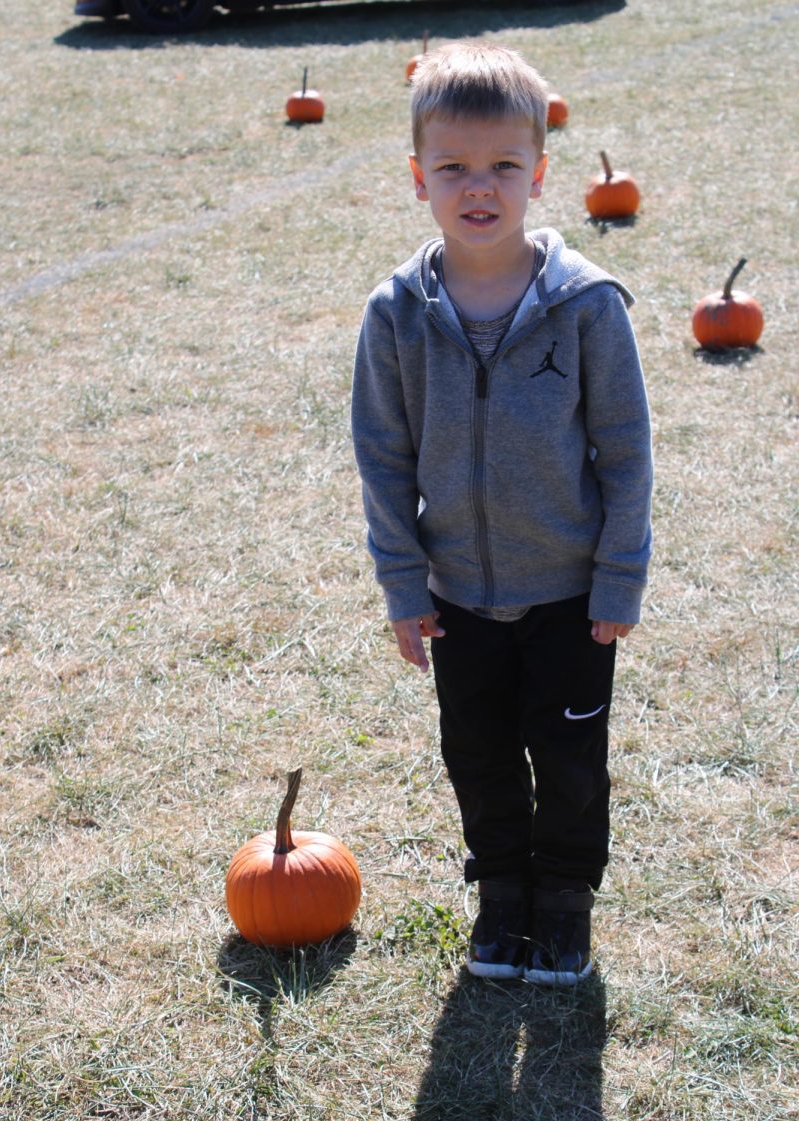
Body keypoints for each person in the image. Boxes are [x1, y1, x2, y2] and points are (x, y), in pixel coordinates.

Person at [350, 42, 653, 985]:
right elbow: (384, 459)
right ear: (417, 178)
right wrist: (405, 585)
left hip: (568, 593)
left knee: (568, 758)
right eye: (453, 169)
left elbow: (626, 451)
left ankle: (563, 904)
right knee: (478, 758)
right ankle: (503, 898)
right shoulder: (397, 314)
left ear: (539, 175)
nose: (478, 188)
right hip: (459, 598)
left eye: (502, 168)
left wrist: (618, 575)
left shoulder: (587, 309)